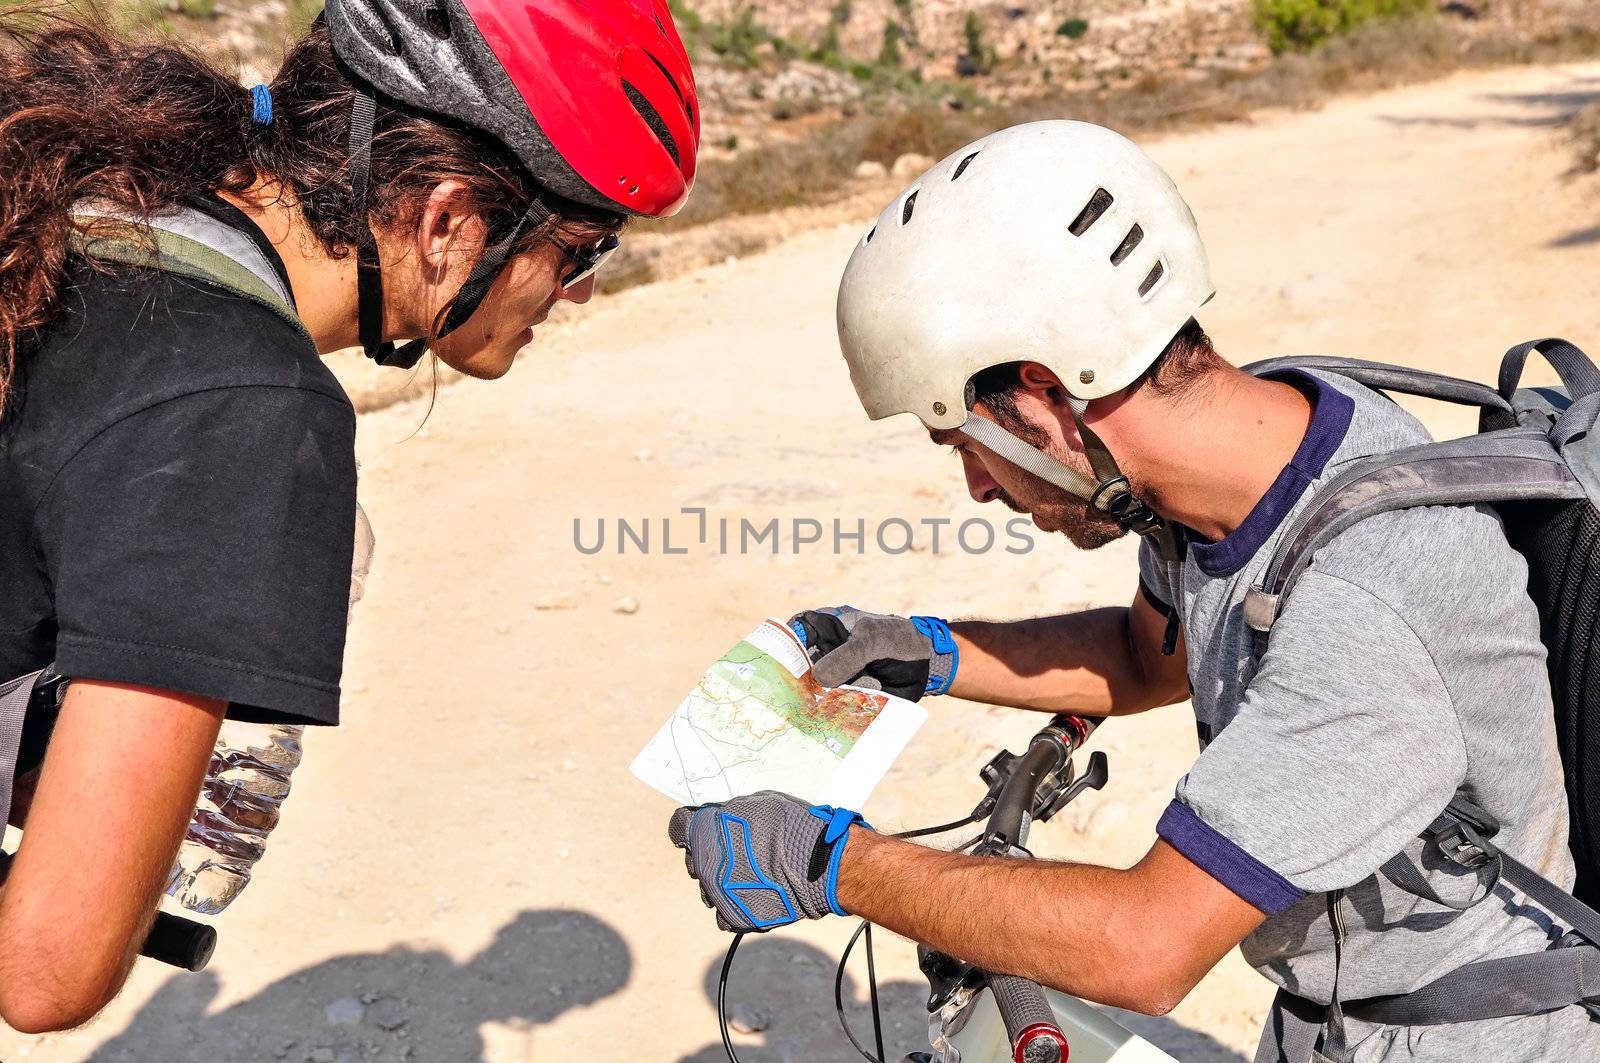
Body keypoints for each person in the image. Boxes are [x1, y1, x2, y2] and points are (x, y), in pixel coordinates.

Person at [667, 121, 1598, 1061]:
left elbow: (1146, 945)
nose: (978, 487)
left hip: (1465, 1038)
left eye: (964, 444)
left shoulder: (1368, 596)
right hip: (1335, 1015)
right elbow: (1142, 654)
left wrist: (832, 861)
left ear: (1042, 393)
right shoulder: (1263, 438)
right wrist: (922, 648)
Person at [0, 0, 696, 1033]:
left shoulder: (92, 201)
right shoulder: (248, 411)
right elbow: (47, 968)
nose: (583, 291)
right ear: (449, 219)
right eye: (583, 247)